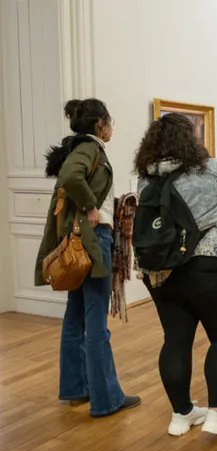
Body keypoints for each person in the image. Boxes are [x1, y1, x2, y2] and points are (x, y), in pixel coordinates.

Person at [135, 113, 217, 436]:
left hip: (161, 272)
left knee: (175, 340)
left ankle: (181, 415)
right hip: (210, 263)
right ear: (190, 138)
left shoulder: (146, 176)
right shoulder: (210, 168)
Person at [35, 99, 141, 417]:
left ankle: (76, 387)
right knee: (95, 323)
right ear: (100, 124)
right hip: (94, 241)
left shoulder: (78, 147)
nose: (112, 128)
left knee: (76, 316)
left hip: (80, 240)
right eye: (110, 121)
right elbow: (70, 177)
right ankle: (106, 398)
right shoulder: (89, 149)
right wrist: (93, 207)